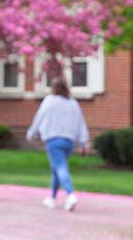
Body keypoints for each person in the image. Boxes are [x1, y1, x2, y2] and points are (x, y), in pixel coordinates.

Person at [25, 75, 90, 212]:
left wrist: (31, 132)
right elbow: (81, 122)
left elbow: (39, 117)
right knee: (56, 169)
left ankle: (70, 194)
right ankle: (52, 198)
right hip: (68, 141)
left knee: (60, 168)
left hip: (53, 140)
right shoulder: (72, 103)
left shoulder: (49, 101)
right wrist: (84, 141)